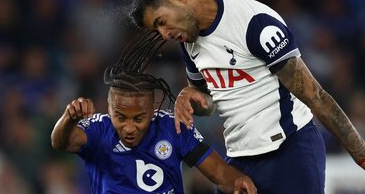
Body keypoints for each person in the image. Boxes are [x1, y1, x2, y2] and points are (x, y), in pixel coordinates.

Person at [129, 0, 365, 194]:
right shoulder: (189, 42)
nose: (164, 34)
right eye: (158, 29)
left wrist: (363, 155)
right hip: (238, 161)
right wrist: (189, 97)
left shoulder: (253, 23)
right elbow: (209, 100)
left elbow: (314, 94)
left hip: (289, 153)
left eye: (161, 22)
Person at [51, 31, 257, 194]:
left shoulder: (172, 127)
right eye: (120, 117)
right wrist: (69, 118)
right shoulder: (98, 128)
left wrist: (238, 181)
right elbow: (61, 142)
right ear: (109, 108)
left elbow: (219, 172)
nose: (129, 127)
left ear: (152, 110)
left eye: (138, 118)